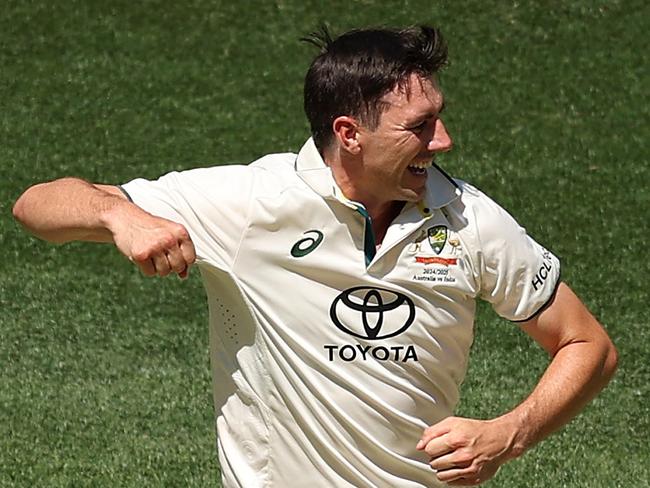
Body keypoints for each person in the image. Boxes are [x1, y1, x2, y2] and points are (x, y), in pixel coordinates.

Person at [13, 25, 617, 487]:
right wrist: (121, 214)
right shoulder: (251, 203)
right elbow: (36, 206)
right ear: (349, 133)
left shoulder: (469, 219)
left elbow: (588, 345)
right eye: (420, 125)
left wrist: (508, 433)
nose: (443, 140)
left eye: (441, 119)